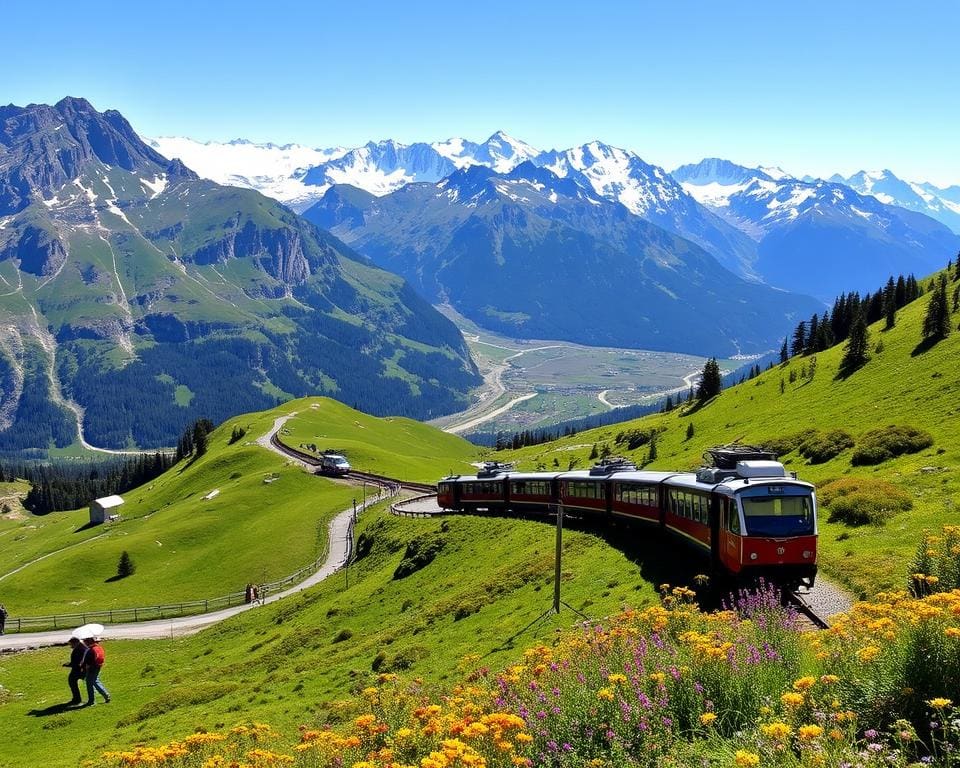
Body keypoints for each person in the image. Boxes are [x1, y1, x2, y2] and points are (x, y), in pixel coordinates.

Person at [81, 637, 110, 706]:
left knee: (89, 684)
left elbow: (88, 661)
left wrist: (83, 667)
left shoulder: (91, 650)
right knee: (95, 681)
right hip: (98, 666)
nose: (84, 643)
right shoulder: (98, 648)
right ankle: (106, 695)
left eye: (85, 642)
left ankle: (91, 701)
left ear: (88, 642)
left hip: (91, 668)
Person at [64, 637, 86, 705]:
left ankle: (77, 699)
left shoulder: (79, 650)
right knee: (93, 683)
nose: (71, 646)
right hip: (79, 669)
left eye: (71, 644)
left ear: (75, 643)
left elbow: (77, 662)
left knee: (72, 681)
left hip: (78, 670)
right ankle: (77, 698)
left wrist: (69, 665)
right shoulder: (81, 648)